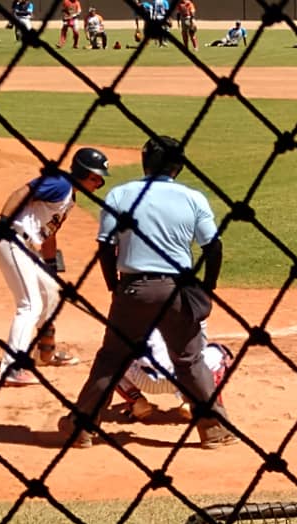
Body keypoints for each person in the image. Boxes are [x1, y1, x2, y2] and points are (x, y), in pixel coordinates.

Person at [59, 135, 238, 450]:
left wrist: (115, 285)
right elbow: (213, 247)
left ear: (145, 163)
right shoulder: (193, 198)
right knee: (190, 360)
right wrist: (207, 287)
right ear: (178, 167)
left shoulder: (120, 194)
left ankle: (82, 429)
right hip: (178, 290)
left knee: (111, 359)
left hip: (134, 287)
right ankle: (214, 429)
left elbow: (105, 245)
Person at [0, 148, 110, 387]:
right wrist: (1, 224)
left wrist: (51, 268)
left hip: (29, 246)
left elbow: (49, 234)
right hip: (12, 240)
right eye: (95, 177)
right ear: (81, 172)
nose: (99, 183)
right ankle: (11, 368)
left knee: (51, 292)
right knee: (30, 304)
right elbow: (22, 192)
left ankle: (44, 354)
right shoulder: (59, 183)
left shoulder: (70, 196)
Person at [115, 325, 231, 423]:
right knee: (221, 353)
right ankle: (194, 401)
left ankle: (136, 400)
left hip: (144, 380)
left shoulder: (137, 304)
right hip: (183, 378)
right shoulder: (192, 304)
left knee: (112, 359)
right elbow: (199, 349)